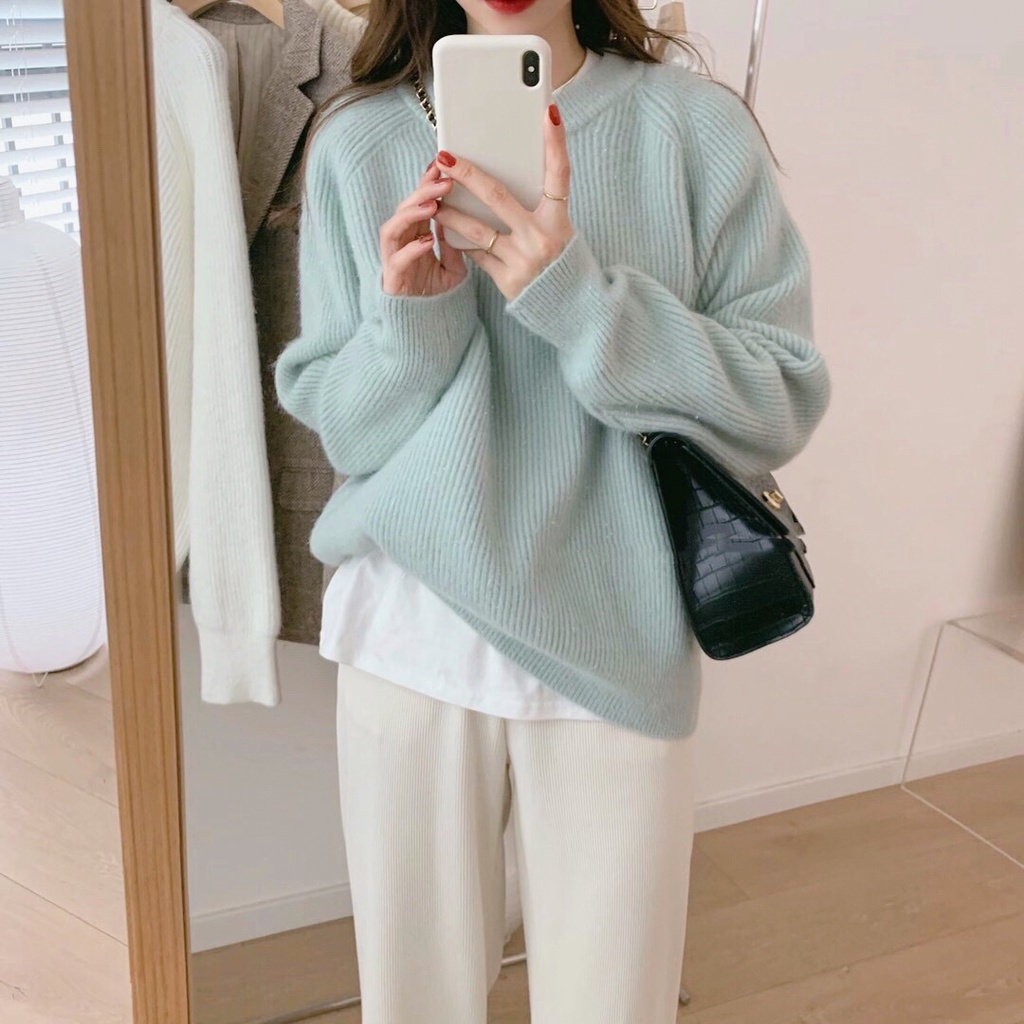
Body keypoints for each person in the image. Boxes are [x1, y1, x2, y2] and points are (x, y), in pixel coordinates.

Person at [274, 1, 832, 1022]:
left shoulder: (693, 130)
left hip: (615, 636)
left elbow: (778, 399)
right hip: (411, 633)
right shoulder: (359, 143)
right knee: (414, 1004)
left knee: (613, 1002)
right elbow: (349, 438)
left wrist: (579, 300)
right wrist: (411, 322)